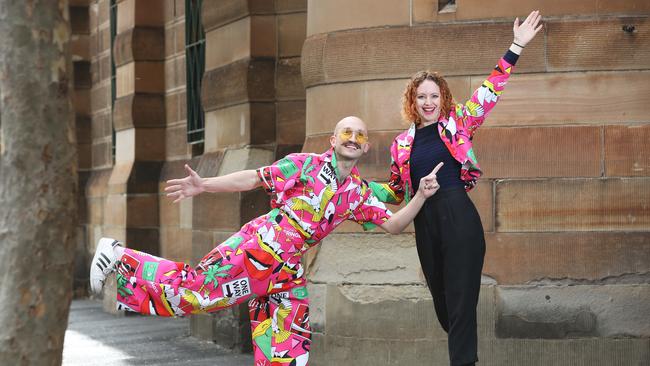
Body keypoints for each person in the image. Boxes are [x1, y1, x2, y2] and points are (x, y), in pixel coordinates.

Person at [89, 116, 443, 366]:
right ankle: (119, 255)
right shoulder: (304, 166)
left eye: (360, 136)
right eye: (346, 132)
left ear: (365, 148)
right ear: (333, 141)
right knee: (193, 293)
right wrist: (205, 185)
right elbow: (253, 178)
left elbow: (395, 224)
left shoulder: (357, 194)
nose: (353, 138)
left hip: (287, 272)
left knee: (289, 349)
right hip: (258, 246)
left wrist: (422, 195)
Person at [369, 11, 544, 366]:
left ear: (443, 97)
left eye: (434, 95)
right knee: (445, 305)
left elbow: (490, 90)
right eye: (422, 97)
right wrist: (354, 187)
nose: (429, 102)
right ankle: (466, 356)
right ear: (412, 101)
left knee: (463, 301)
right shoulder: (401, 144)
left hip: (459, 217)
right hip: (426, 222)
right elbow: (395, 191)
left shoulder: (458, 123)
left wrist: (516, 46)